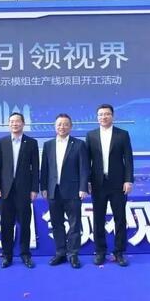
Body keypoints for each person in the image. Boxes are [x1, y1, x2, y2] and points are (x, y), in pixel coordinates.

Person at [85, 103, 134, 267]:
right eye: (100, 114)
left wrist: (128, 180)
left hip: (118, 183)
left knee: (120, 218)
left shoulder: (122, 134)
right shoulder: (91, 135)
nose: (103, 117)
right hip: (98, 183)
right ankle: (100, 251)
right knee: (98, 218)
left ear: (112, 116)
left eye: (107, 114)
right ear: (97, 117)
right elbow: (87, 161)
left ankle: (119, 252)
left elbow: (128, 159)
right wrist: (87, 182)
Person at [40, 113, 90, 269]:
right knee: (57, 224)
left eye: (65, 124)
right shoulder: (48, 145)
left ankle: (73, 254)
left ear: (71, 126)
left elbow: (84, 168)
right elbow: (45, 168)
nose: (62, 127)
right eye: (59, 124)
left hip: (73, 191)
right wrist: (44, 187)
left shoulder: (79, 144)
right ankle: (60, 252)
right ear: (55, 127)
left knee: (74, 224)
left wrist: (83, 188)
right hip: (53, 190)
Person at [0, 112, 39, 268]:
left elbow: (35, 168)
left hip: (24, 190)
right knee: (6, 224)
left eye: (17, 121)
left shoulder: (31, 143)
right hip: (5, 190)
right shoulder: (2, 142)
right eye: (11, 122)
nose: (14, 124)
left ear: (23, 124)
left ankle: (25, 255)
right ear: (8, 124)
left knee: (25, 223)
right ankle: (7, 255)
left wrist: (34, 189)